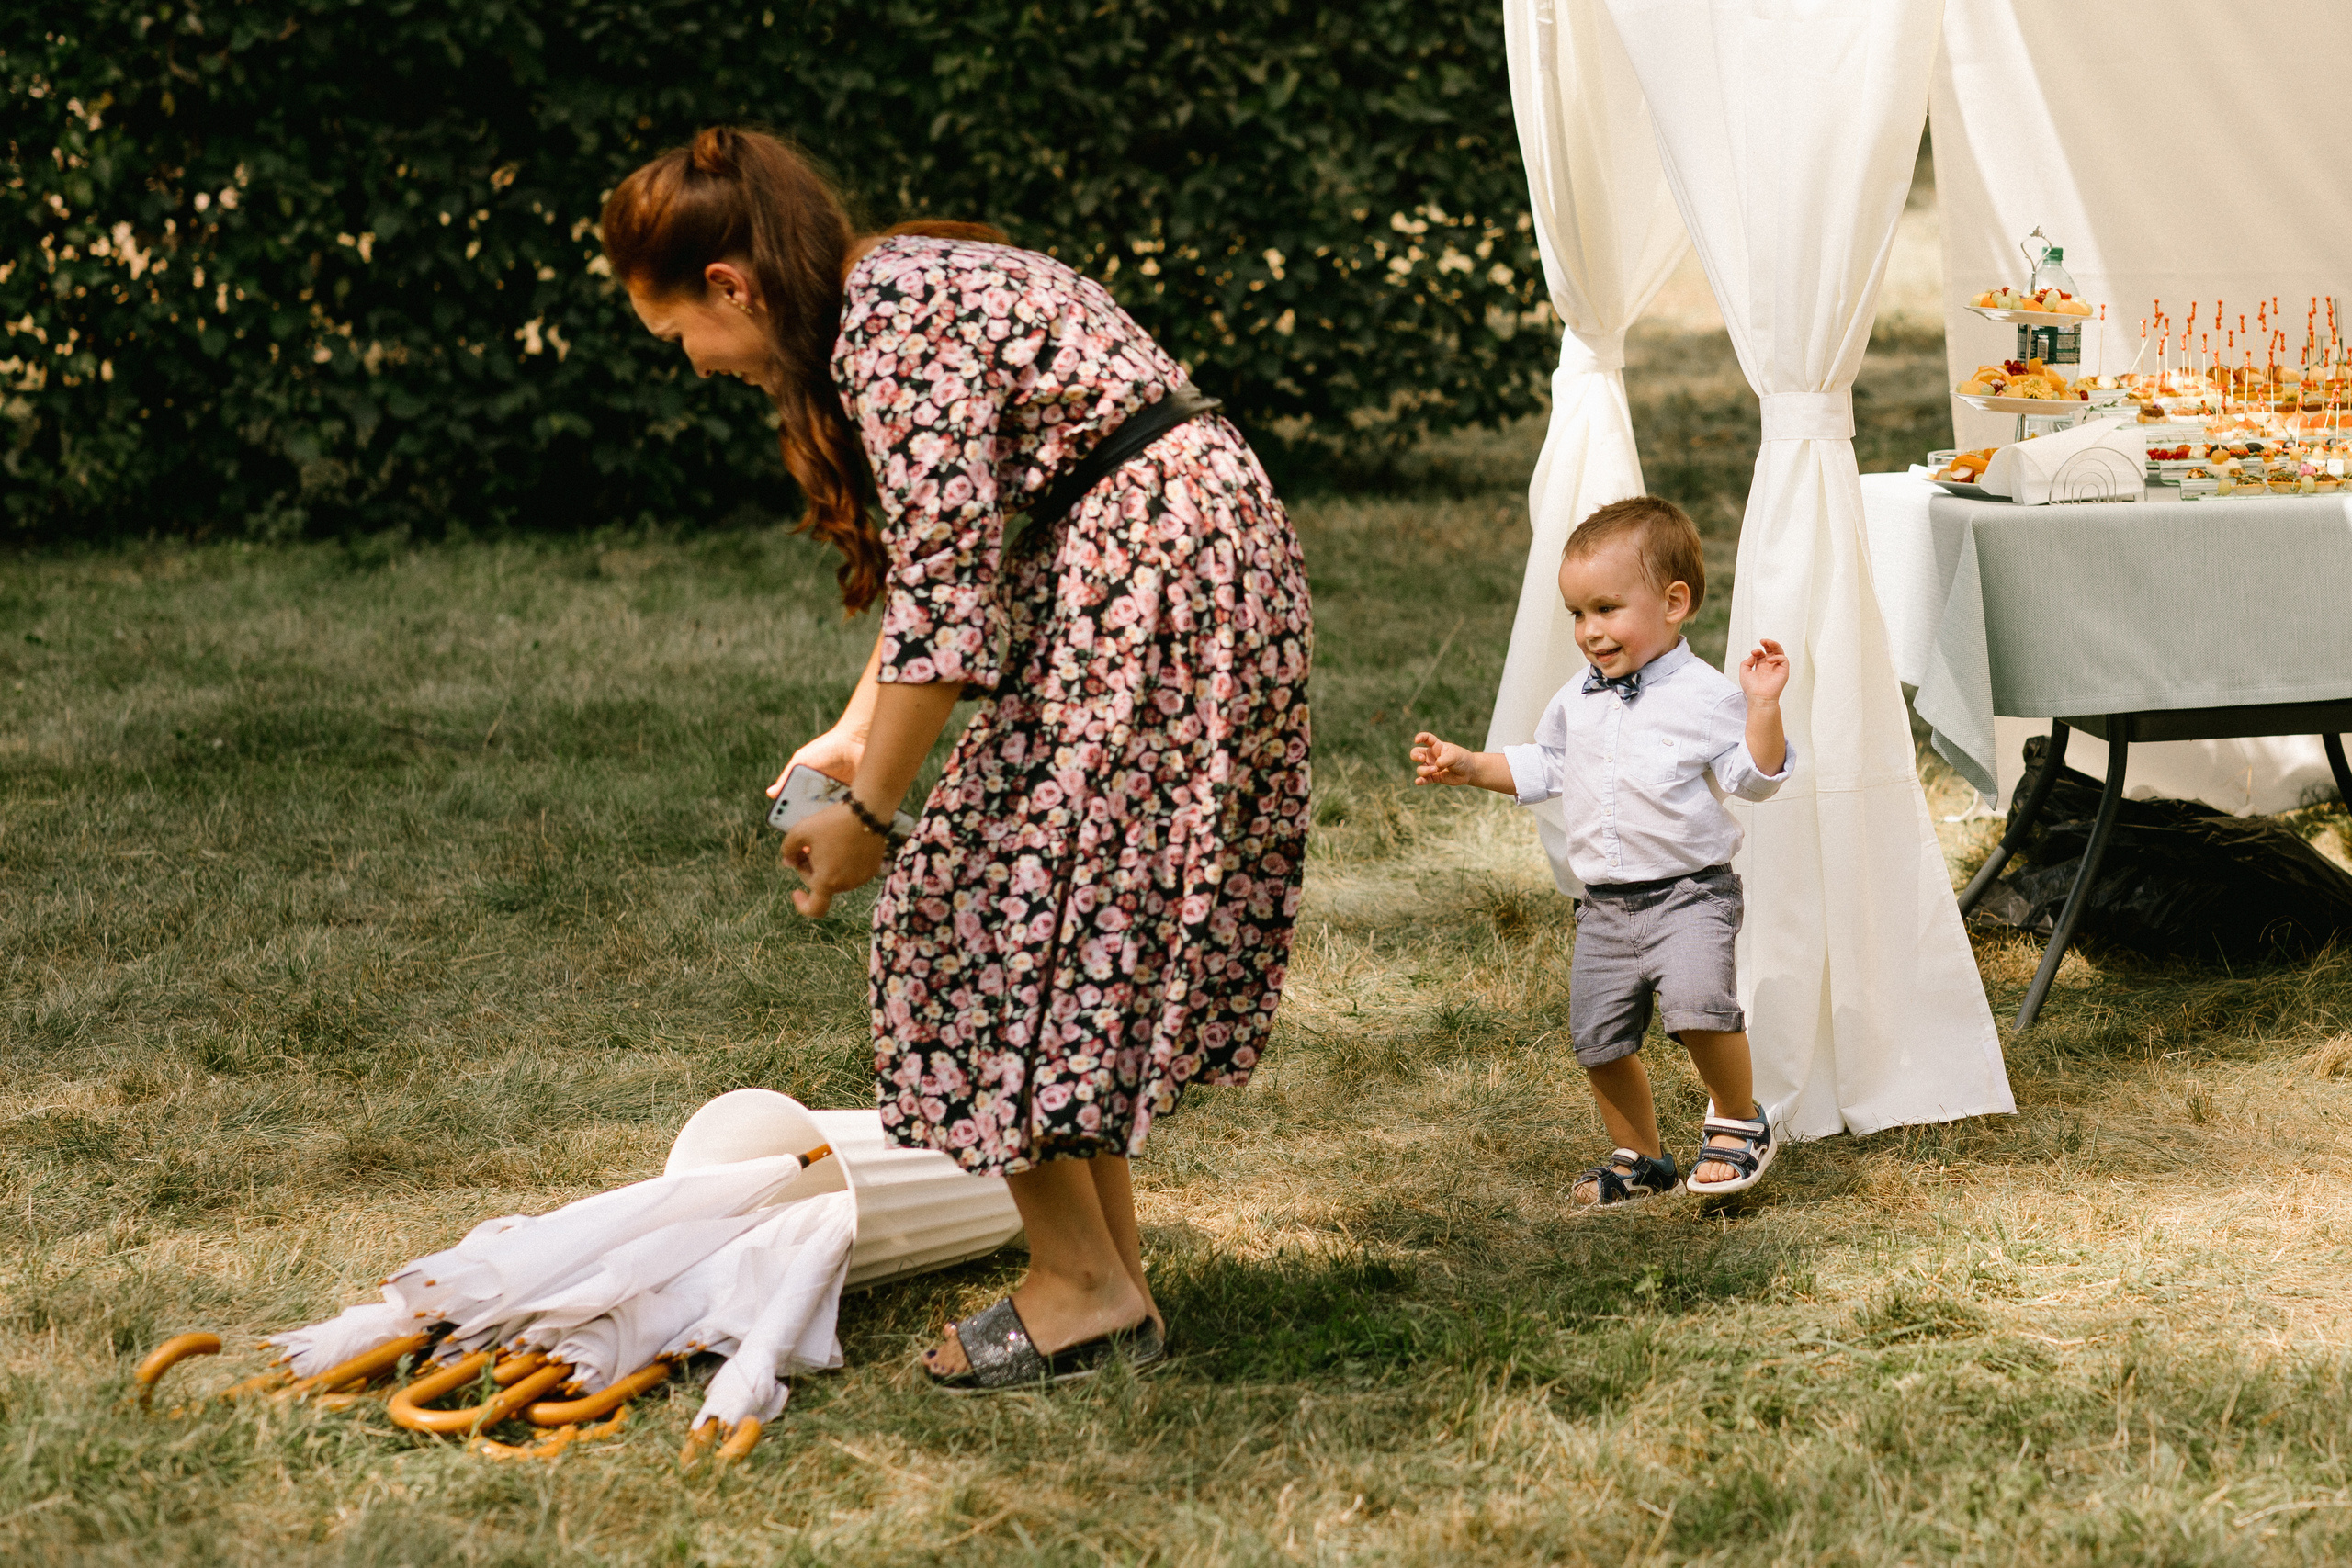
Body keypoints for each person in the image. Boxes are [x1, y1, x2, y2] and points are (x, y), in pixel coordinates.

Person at [601, 129, 1312, 1388]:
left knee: (958, 907)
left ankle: (1079, 1283)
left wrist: (873, 809)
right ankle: (1111, 1280)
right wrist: (850, 729)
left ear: (729, 285)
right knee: (1047, 916)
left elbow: (949, 598)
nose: (696, 367)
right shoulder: (899, 283)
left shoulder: (884, 323)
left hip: (1152, 566)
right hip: (1186, 546)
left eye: (678, 337)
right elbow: (956, 559)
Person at [1408, 496, 1789, 1208]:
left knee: (1701, 1008)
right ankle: (1642, 1155)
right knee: (1600, 1038)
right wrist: (1470, 764)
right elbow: (1545, 763)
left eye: (1607, 608)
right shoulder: (1577, 699)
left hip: (1689, 893)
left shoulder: (1707, 697)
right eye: (1578, 613)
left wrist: (1763, 708)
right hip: (1605, 905)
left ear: (1674, 603)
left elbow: (1754, 779)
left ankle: (1738, 1118)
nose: (1589, 631)